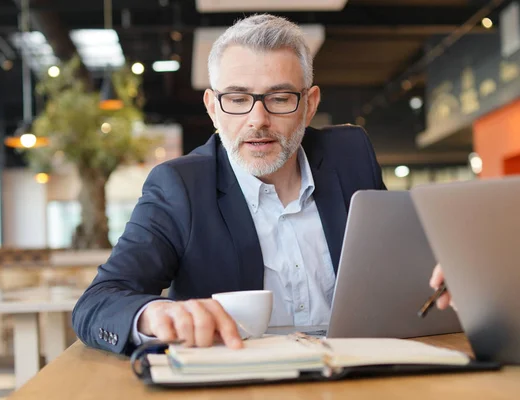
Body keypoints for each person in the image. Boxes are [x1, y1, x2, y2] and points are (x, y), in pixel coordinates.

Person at [72, 14, 386, 356]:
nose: (257, 120)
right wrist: (152, 314)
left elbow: (397, 261)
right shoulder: (180, 187)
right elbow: (97, 303)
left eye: (279, 99)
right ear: (213, 109)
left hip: (357, 371)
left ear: (309, 105)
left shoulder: (351, 156)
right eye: (237, 100)